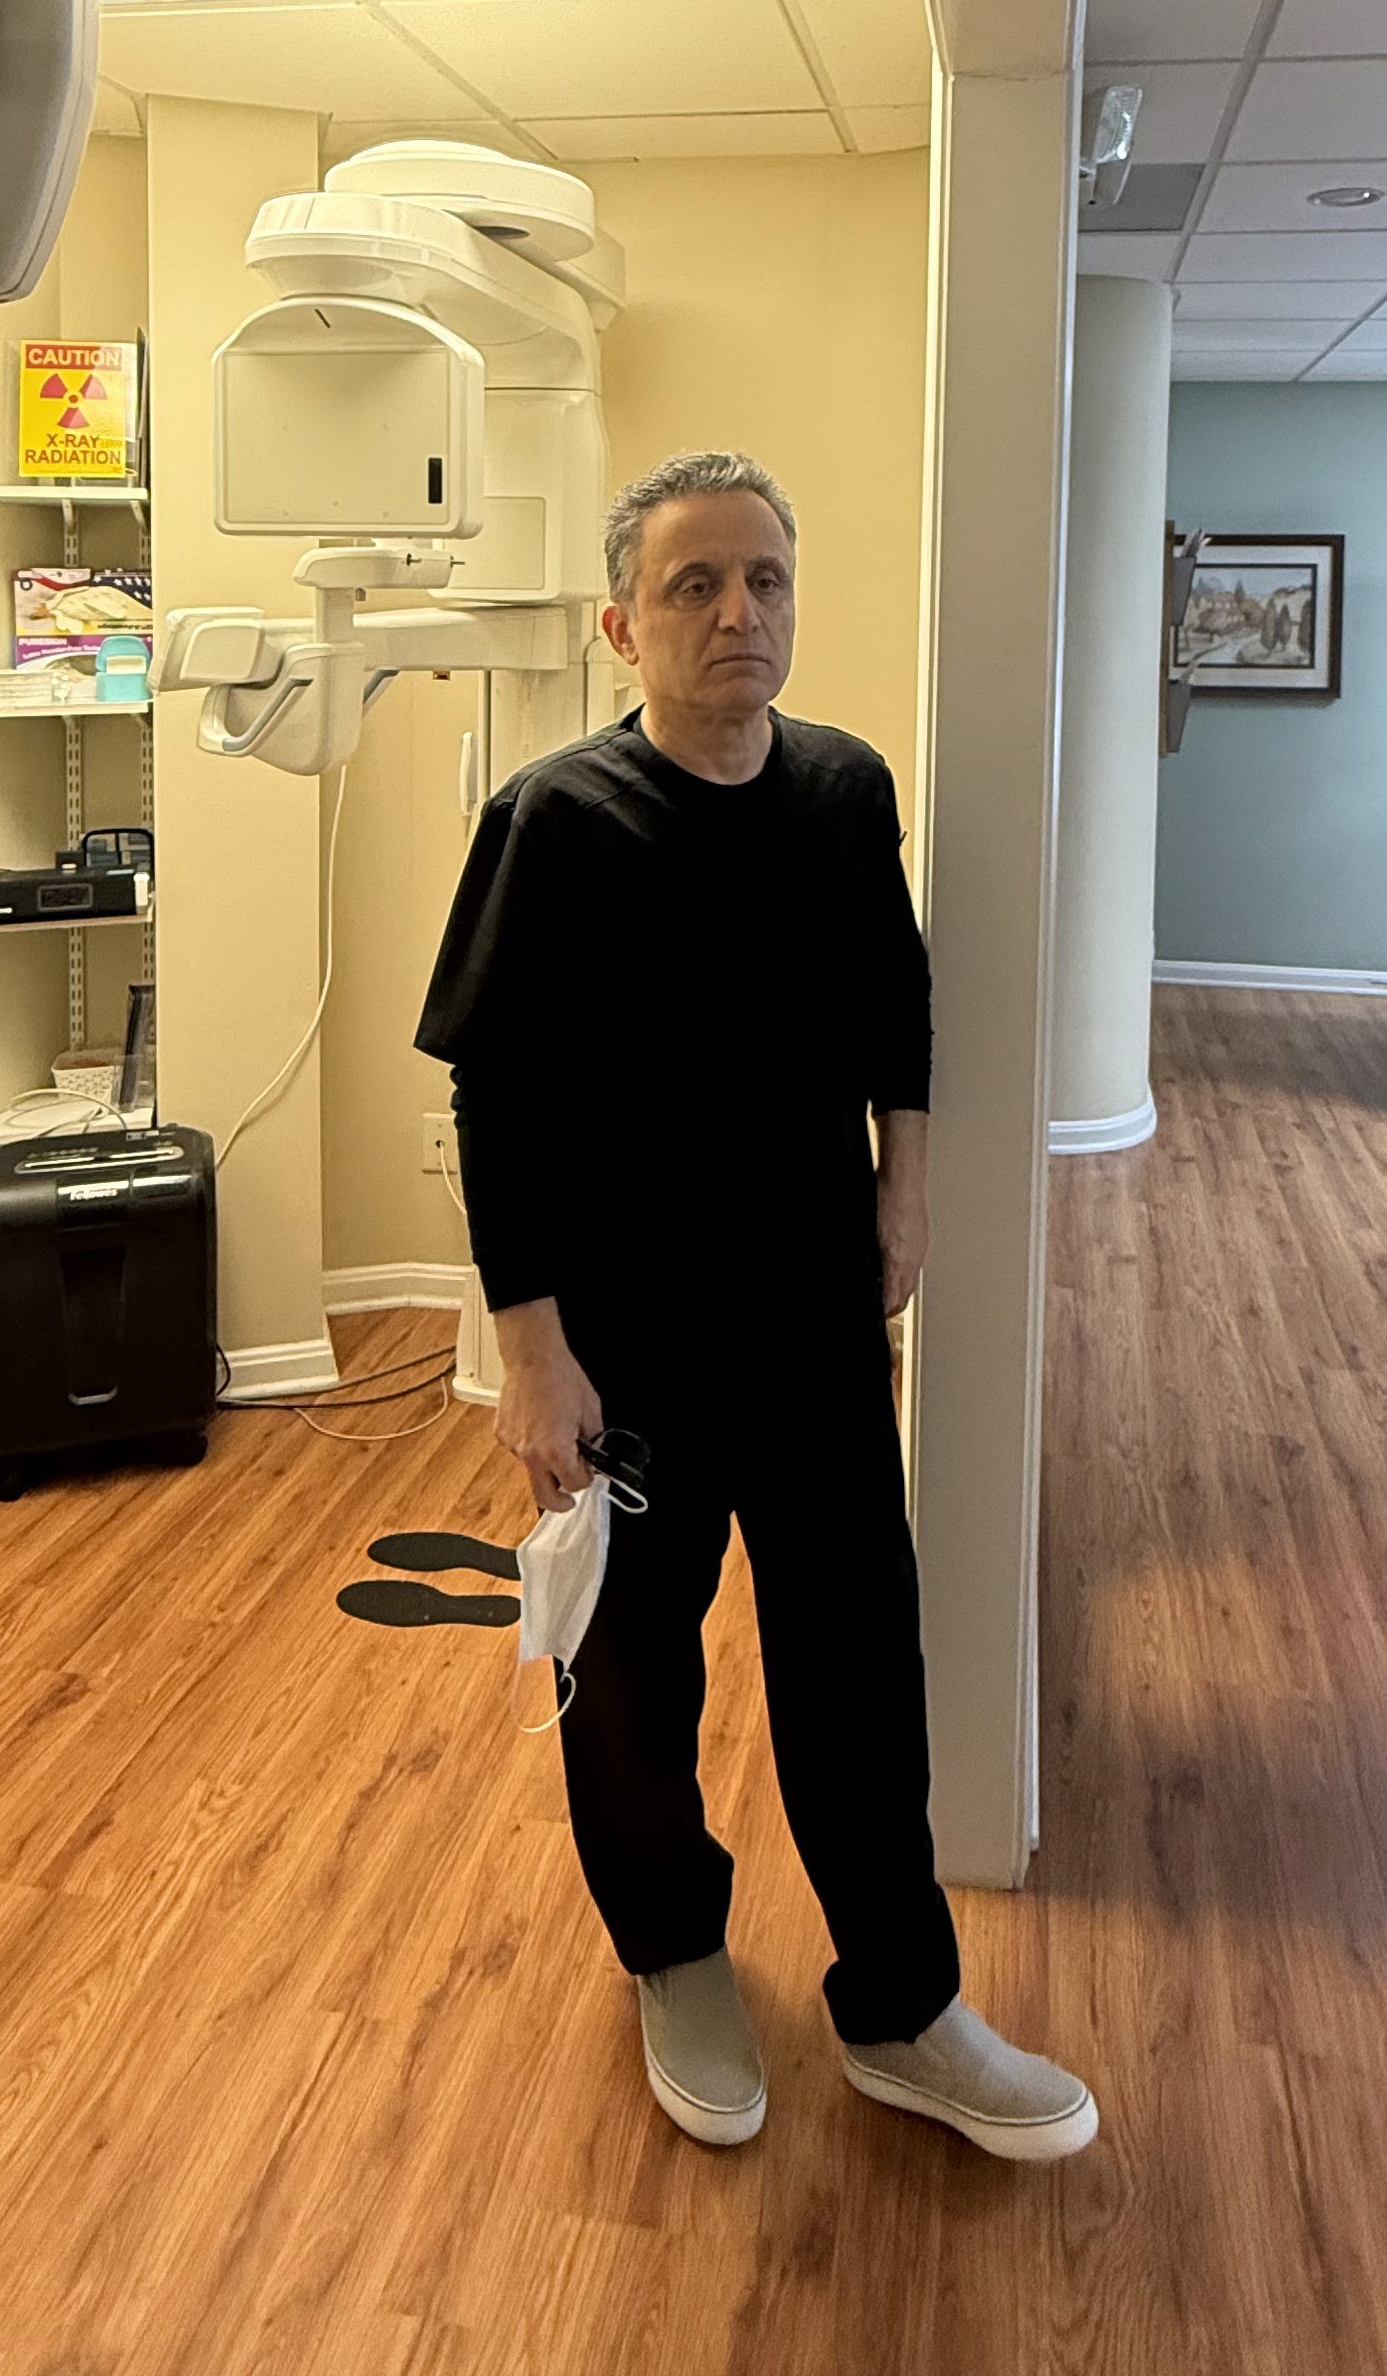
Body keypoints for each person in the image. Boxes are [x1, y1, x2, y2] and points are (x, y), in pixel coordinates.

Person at [416, 446, 1097, 2165]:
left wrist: (906, 1189)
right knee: (632, 1673)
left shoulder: (845, 792)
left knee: (860, 1660)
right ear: (621, 625)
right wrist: (530, 1354)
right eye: (696, 585)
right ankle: (676, 1957)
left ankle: (903, 2006)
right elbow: (496, 1099)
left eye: (766, 579)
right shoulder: (555, 823)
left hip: (812, 1325)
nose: (739, 612)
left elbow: (901, 1014)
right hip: (626, 1344)